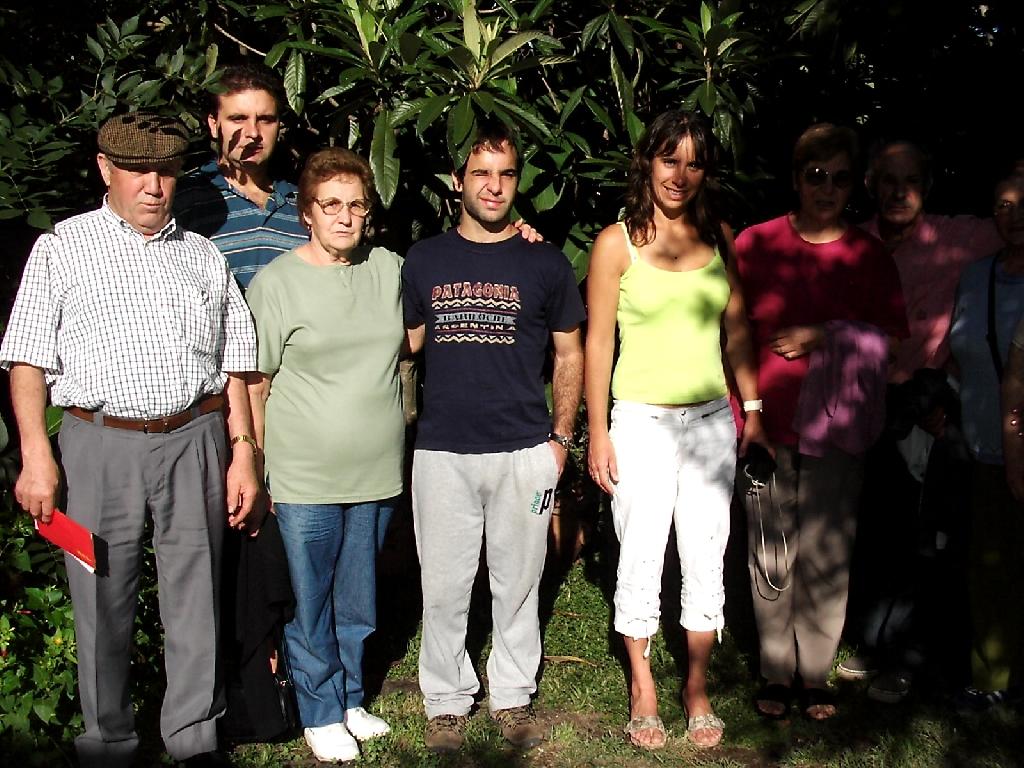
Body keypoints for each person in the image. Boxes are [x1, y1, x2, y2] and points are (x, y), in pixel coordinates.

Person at [0, 112, 261, 767]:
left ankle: (194, 737)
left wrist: (243, 452)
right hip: (97, 446)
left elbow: (235, 362)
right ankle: (107, 742)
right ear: (104, 168)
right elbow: (27, 358)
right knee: (99, 593)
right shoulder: (62, 247)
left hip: (195, 439)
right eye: (138, 170)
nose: (153, 185)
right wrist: (36, 455)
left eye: (165, 171)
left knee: (196, 594)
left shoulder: (202, 255)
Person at [402, 120, 585, 753]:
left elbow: (570, 354)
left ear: (517, 181)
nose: (494, 186)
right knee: (444, 585)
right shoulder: (423, 260)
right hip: (441, 451)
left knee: (519, 583)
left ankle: (511, 695)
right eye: (481, 173)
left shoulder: (545, 262)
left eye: (506, 173)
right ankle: (446, 701)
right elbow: (402, 347)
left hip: (525, 452)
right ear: (458, 181)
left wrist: (560, 440)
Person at [584, 109, 765, 750]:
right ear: (647, 162)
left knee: (706, 556)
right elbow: (598, 342)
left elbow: (736, 331)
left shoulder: (720, 238)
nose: (680, 175)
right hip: (639, 422)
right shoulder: (616, 244)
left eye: (694, 163)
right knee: (639, 554)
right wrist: (597, 431)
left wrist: (754, 411)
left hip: (711, 423)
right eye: (669, 159)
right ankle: (642, 687)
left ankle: (696, 686)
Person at [734, 123, 908, 721]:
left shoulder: (869, 255)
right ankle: (775, 670)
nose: (827, 188)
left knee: (826, 553)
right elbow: (731, 332)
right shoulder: (756, 244)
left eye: (839, 178)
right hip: (766, 423)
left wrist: (825, 335)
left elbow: (891, 342)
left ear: (854, 185)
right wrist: (746, 414)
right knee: (770, 551)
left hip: (839, 431)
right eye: (815, 176)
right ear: (795, 179)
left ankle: (814, 674)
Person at [245, 148, 401, 763]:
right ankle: (318, 709)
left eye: (356, 205)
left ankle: (351, 695)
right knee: (309, 599)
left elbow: (427, 322)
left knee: (358, 598)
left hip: (377, 472)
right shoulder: (277, 283)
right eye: (330, 204)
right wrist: (254, 466)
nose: (344, 216)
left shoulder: (389, 268)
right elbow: (254, 385)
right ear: (307, 212)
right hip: (304, 475)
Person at [842, 140, 1004, 702]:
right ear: (870, 185)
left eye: (910, 181)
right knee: (873, 530)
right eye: (888, 180)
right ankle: (873, 644)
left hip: (926, 408)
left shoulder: (959, 237)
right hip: (863, 406)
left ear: (927, 187)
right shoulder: (853, 242)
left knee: (924, 535)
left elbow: (1015, 223)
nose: (899, 192)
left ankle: (908, 657)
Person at [949, 173, 1024, 712]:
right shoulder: (976, 276)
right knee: (990, 567)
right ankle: (991, 676)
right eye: (1002, 205)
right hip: (983, 447)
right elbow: (958, 351)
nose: (1013, 216)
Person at [174, 61, 309, 291]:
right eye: (238, 118)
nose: (253, 132)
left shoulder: (304, 205)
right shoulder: (183, 200)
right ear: (213, 124)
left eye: (266, 119)